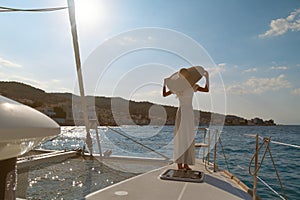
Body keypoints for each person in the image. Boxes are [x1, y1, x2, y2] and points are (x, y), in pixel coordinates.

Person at [163, 66, 209, 170]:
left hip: (188, 113)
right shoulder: (178, 88)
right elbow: (164, 94)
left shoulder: (193, 86)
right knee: (180, 137)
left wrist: (207, 77)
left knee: (188, 137)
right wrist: (165, 84)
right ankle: (180, 164)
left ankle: (186, 164)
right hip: (182, 112)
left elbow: (206, 90)